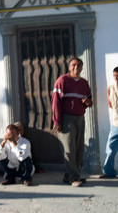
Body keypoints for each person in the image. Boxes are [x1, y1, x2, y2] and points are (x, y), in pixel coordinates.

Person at [51, 57, 92, 187]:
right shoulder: (62, 80)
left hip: (80, 118)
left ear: (82, 67)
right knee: (69, 149)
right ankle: (73, 177)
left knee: (79, 149)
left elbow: (89, 101)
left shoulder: (84, 83)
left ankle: (70, 175)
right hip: (66, 118)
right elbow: (56, 102)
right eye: (74, 65)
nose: (76, 67)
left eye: (79, 65)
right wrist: (57, 121)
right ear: (69, 67)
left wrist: (87, 103)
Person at [100, 66, 118, 179]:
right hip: (115, 123)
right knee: (110, 148)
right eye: (114, 76)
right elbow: (110, 104)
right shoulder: (110, 88)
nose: (116, 78)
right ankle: (109, 171)